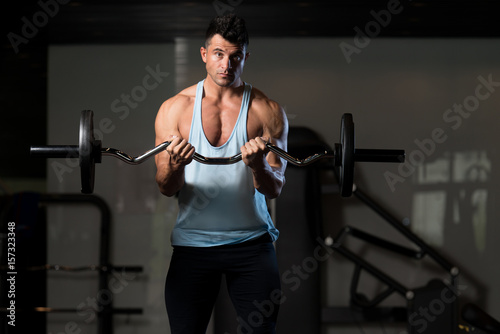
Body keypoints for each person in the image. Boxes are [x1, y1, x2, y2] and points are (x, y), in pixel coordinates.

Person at [154, 14, 288, 334]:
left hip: (252, 244)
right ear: (204, 54)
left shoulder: (266, 110)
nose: (226, 64)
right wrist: (175, 164)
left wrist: (257, 166)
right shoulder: (175, 109)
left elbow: (275, 188)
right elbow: (164, 185)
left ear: (245, 57)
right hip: (193, 245)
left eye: (235, 56)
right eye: (218, 54)